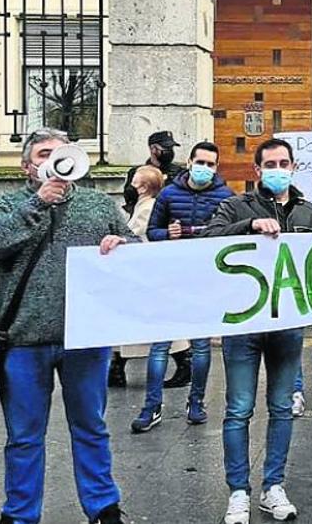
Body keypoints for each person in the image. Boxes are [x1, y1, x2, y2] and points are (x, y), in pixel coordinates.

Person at [0, 127, 135, 524]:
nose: (54, 159)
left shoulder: (98, 205)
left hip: (85, 337)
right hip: (23, 340)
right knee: (25, 436)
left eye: (61, 152)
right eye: (45, 153)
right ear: (27, 165)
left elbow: (135, 245)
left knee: (90, 427)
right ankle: (19, 513)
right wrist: (37, 204)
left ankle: (103, 506)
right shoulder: (5, 204)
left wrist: (124, 246)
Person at [202, 137, 312, 524]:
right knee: (238, 409)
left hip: (287, 325)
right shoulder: (234, 206)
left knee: (282, 408)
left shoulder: (310, 212)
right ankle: (238, 490)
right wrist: (249, 225)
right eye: (269, 164)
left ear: (293, 167)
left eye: (283, 163)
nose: (277, 169)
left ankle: (274, 486)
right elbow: (208, 240)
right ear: (257, 171)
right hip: (244, 324)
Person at [131, 141, 234, 433]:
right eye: (200, 162)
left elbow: (232, 235)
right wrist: (168, 233)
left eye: (211, 164)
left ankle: (197, 402)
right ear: (189, 162)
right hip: (170, 278)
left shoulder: (225, 196)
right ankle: (151, 406)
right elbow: (152, 231)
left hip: (204, 280)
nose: (204, 169)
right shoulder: (169, 194)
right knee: (160, 345)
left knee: (201, 347)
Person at [113, 129, 186, 389]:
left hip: (158, 250)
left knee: (155, 311)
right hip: (144, 254)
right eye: (164, 147)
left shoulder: (178, 173)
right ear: (153, 148)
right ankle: (118, 364)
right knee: (136, 312)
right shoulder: (137, 173)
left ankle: (182, 358)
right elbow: (129, 201)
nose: (168, 151)